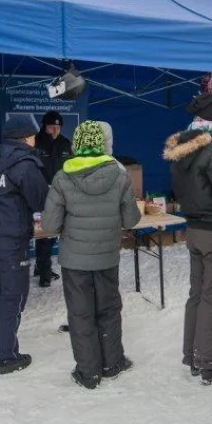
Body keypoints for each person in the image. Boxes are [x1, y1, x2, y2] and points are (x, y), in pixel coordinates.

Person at [41, 121, 141, 389]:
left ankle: (88, 373)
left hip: (75, 261)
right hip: (107, 257)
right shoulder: (119, 175)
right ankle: (112, 363)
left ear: (76, 144)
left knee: (80, 313)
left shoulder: (62, 177)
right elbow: (131, 219)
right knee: (109, 310)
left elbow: (49, 225)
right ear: (101, 145)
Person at [163, 93, 212, 385]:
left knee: (198, 294)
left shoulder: (184, 146)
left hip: (194, 229)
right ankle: (210, 362)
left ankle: (193, 355)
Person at [0, 114, 49, 374]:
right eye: (33, 134)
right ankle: (7, 356)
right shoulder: (24, 163)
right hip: (10, 237)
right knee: (14, 293)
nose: (35, 139)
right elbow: (40, 199)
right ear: (24, 136)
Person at [34, 111, 73, 288]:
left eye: (58, 127)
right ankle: (44, 273)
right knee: (43, 232)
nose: (55, 130)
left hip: (60, 194)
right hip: (40, 194)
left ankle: (40, 266)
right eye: (52, 127)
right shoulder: (36, 142)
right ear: (44, 126)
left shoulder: (66, 144)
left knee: (53, 233)